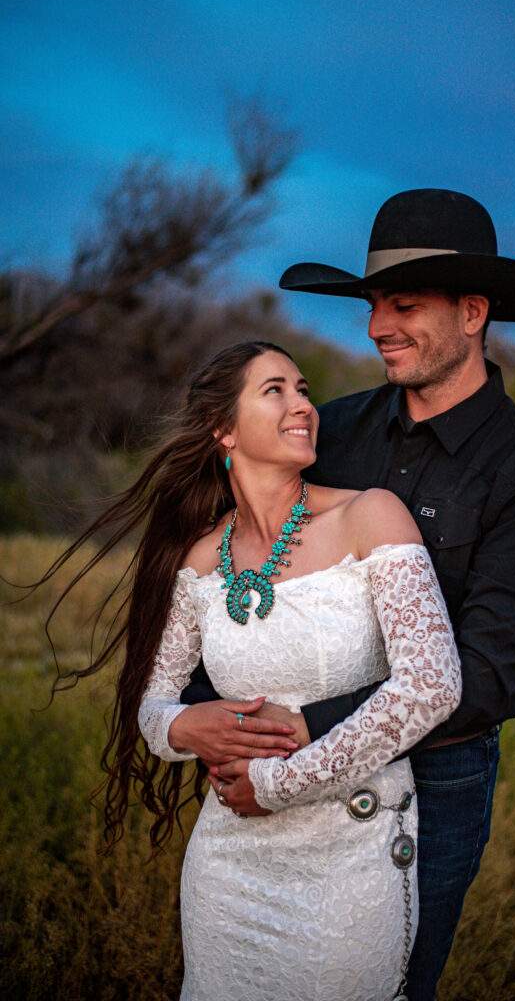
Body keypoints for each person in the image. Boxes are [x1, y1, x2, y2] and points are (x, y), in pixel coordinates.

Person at [183, 189, 515, 1001]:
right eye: (372, 305)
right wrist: (215, 717)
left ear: (474, 312)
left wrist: (302, 733)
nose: (375, 327)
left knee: (384, 982)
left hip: (432, 780)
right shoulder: (331, 432)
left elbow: (486, 674)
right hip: (266, 754)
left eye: (404, 305)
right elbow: (234, 567)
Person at [42, 339, 461, 1001]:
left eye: (302, 388)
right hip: (228, 868)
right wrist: (188, 725)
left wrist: (279, 783)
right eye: (276, 390)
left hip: (349, 854)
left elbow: (432, 685)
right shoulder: (201, 559)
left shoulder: (369, 515)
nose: (303, 404)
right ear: (224, 429)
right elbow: (151, 705)